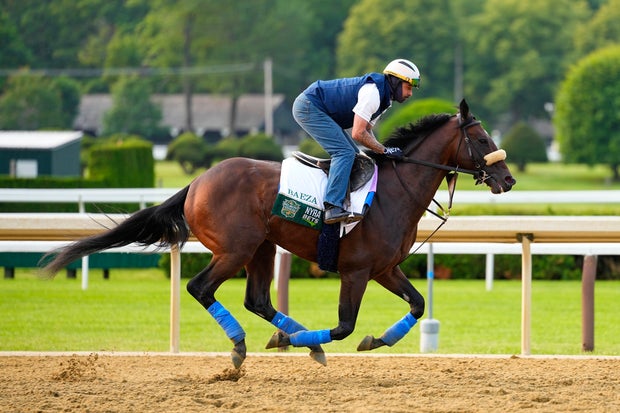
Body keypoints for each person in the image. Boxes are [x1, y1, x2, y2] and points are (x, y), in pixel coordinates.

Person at [292, 58, 420, 224]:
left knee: (353, 154)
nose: (410, 93)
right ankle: (332, 206)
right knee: (344, 152)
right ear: (395, 82)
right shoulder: (373, 93)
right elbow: (358, 133)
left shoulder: (385, 100)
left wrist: (383, 149)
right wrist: (384, 150)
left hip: (319, 108)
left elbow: (367, 130)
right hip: (309, 106)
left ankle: (339, 189)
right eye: (408, 87)